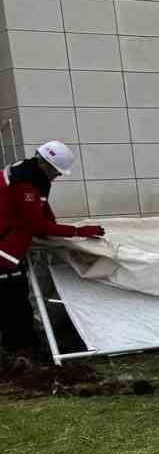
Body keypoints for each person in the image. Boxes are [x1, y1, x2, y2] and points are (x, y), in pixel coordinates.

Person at [1, 142, 105, 355]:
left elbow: (43, 213)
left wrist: (58, 229)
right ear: (45, 164)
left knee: (16, 295)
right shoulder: (24, 183)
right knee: (14, 297)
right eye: (57, 171)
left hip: (8, 242)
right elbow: (35, 225)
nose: (58, 175)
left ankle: (21, 346)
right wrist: (78, 231)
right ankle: (20, 349)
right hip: (4, 245)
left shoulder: (32, 176)